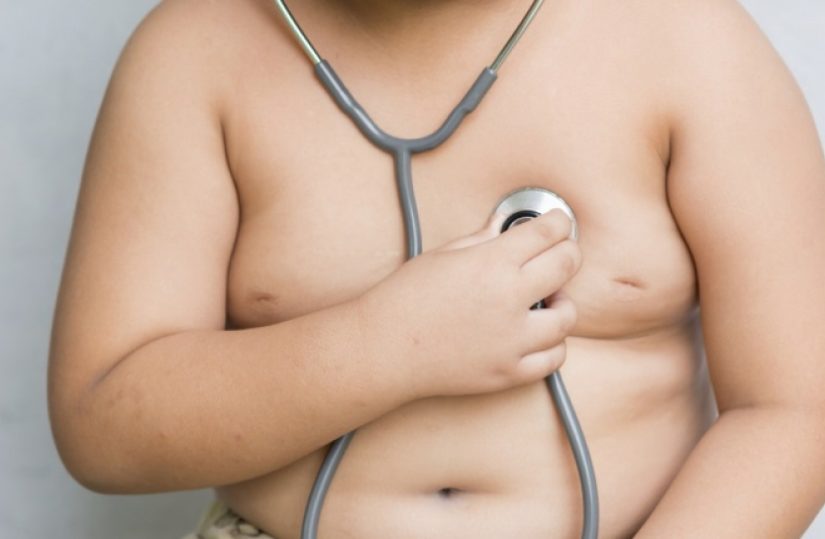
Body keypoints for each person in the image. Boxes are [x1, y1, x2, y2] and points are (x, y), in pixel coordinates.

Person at [48, 0, 825, 537]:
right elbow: (102, 420)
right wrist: (384, 345)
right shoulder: (195, 53)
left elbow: (794, 408)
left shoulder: (686, 40)